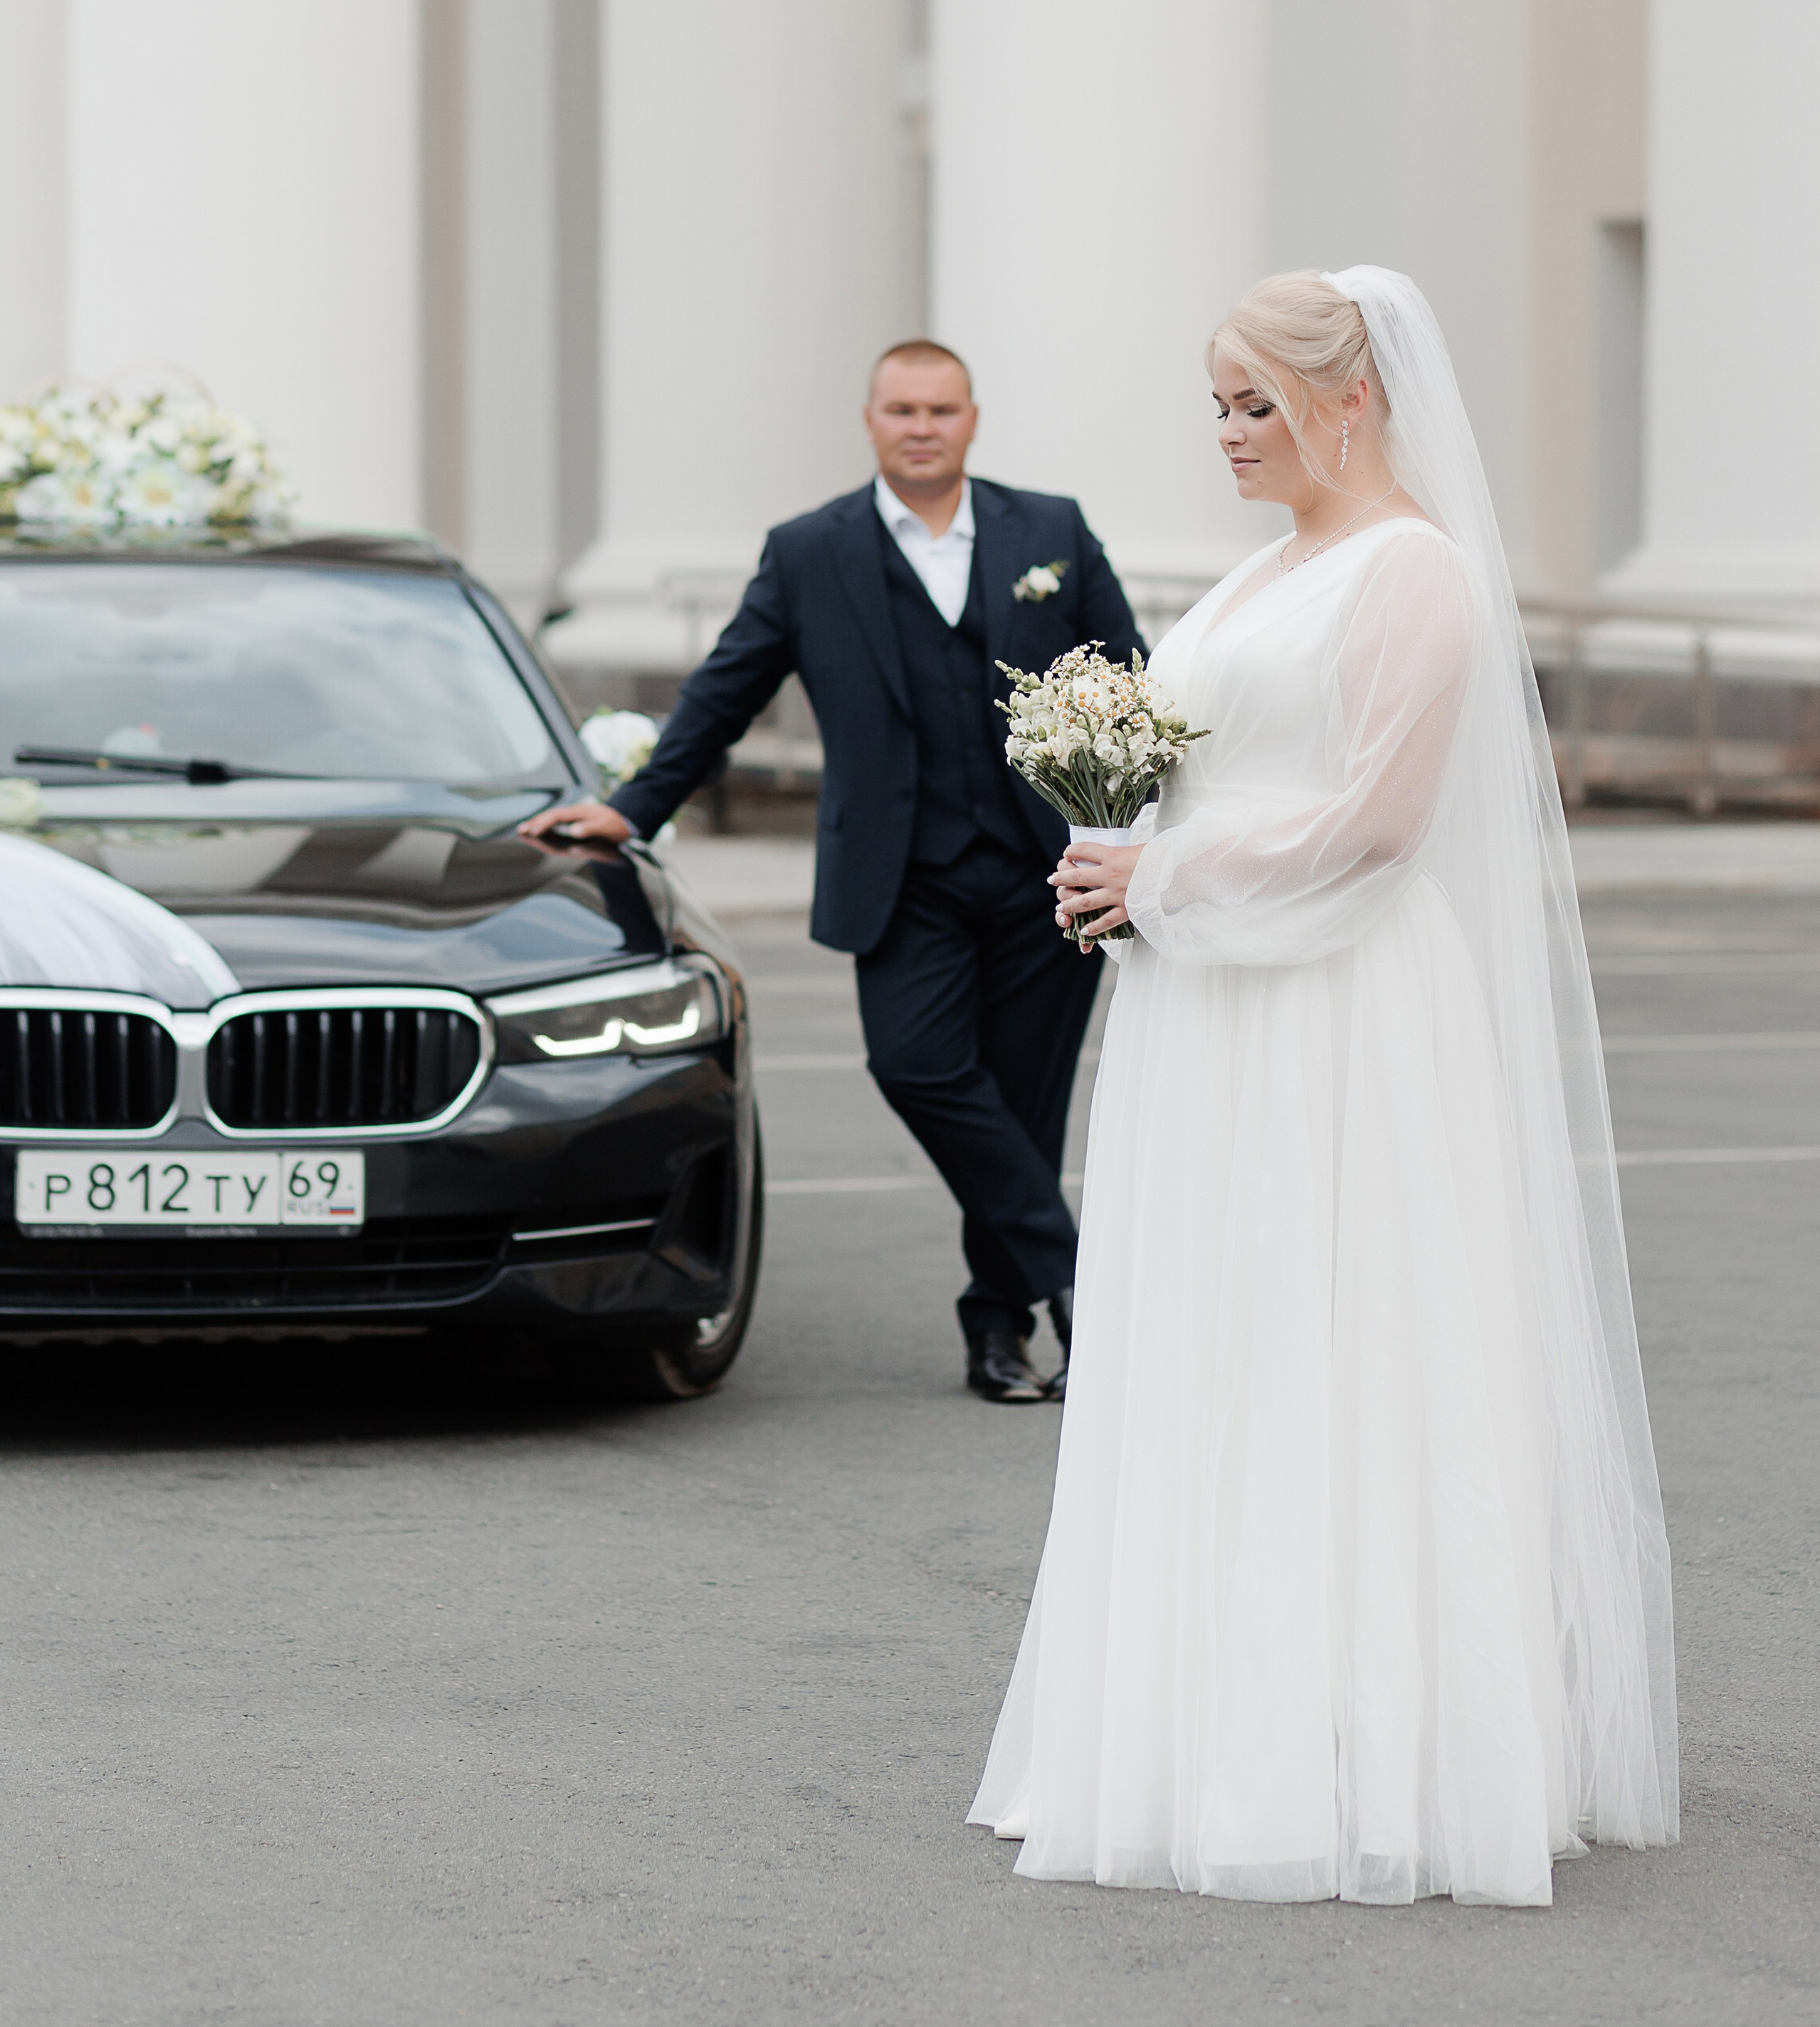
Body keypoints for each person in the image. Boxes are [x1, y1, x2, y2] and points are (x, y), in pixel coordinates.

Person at [967, 268, 1678, 1905]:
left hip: (1339, 1008)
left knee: (1335, 1340)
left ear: (1347, 400)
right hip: (1210, 1002)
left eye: (1251, 404)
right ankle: (1191, 1731)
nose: (1225, 434)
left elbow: (1376, 819)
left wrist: (1156, 877)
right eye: (1213, 405)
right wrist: (1124, 848)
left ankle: (1364, 1752)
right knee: (1214, 1345)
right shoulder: (1256, 574)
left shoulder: (1413, 572)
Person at [520, 339, 1143, 1404]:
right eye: (901, 408)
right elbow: (727, 689)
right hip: (902, 875)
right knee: (917, 1068)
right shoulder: (812, 549)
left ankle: (996, 1330)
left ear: (972, 420)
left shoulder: (1052, 530)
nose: (921, 426)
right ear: (870, 421)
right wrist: (633, 809)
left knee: (1027, 1108)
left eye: (941, 409)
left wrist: (1137, 829)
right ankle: (1075, 1277)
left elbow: (1124, 680)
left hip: (1050, 864)